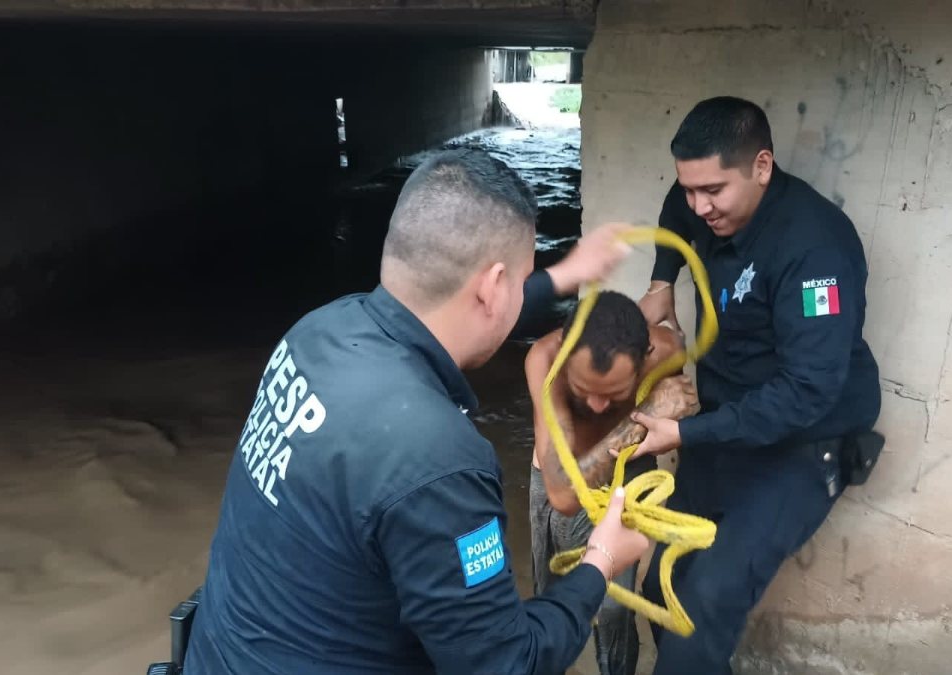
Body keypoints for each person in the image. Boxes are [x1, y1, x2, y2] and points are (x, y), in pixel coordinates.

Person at [183, 148, 650, 675]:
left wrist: (565, 274)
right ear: (494, 287)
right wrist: (600, 563)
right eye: (520, 285)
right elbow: (506, 664)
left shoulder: (316, 333)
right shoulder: (438, 459)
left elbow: (473, 298)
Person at [628, 97, 882, 673]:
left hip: (799, 445)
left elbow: (809, 391)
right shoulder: (701, 200)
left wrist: (685, 434)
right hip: (723, 429)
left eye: (713, 190)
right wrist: (662, 279)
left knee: (698, 608)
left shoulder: (814, 247)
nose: (700, 206)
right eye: (691, 189)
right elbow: (675, 206)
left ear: (761, 166)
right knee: (661, 589)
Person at [524, 290, 698, 675]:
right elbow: (564, 495)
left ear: (645, 358)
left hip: (626, 480)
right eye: (584, 391)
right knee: (550, 597)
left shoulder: (666, 351)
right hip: (559, 481)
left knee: (615, 609)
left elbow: (680, 416)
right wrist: (646, 412)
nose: (597, 405)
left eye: (614, 394)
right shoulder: (545, 359)